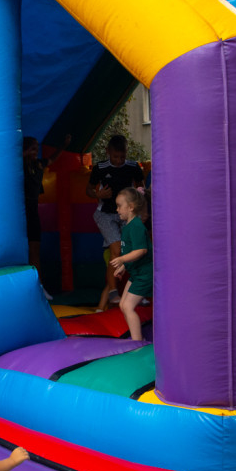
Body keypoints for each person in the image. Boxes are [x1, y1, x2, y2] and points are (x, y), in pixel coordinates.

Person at [86, 135, 144, 311]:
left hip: (126, 215)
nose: (119, 161)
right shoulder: (101, 168)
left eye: (122, 156)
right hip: (106, 214)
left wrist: (139, 196)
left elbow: (141, 188)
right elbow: (89, 189)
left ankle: (136, 290)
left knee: (133, 251)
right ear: (108, 152)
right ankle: (112, 291)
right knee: (116, 250)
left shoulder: (133, 167)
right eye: (115, 157)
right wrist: (98, 195)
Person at [22, 134, 70, 300]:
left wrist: (63, 145)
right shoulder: (18, 165)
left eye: (37, 148)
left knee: (35, 249)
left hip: (32, 210)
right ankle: (25, 287)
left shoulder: (38, 164)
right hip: (21, 210)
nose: (36, 151)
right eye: (32, 148)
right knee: (22, 249)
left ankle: (39, 286)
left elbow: (52, 159)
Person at [109, 188, 152, 341]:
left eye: (120, 206)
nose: (117, 209)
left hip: (145, 274)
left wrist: (122, 260)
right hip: (137, 273)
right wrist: (123, 267)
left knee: (128, 307)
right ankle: (136, 338)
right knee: (122, 305)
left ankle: (137, 343)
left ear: (131, 207)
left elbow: (141, 250)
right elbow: (132, 253)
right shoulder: (129, 226)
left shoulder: (136, 226)